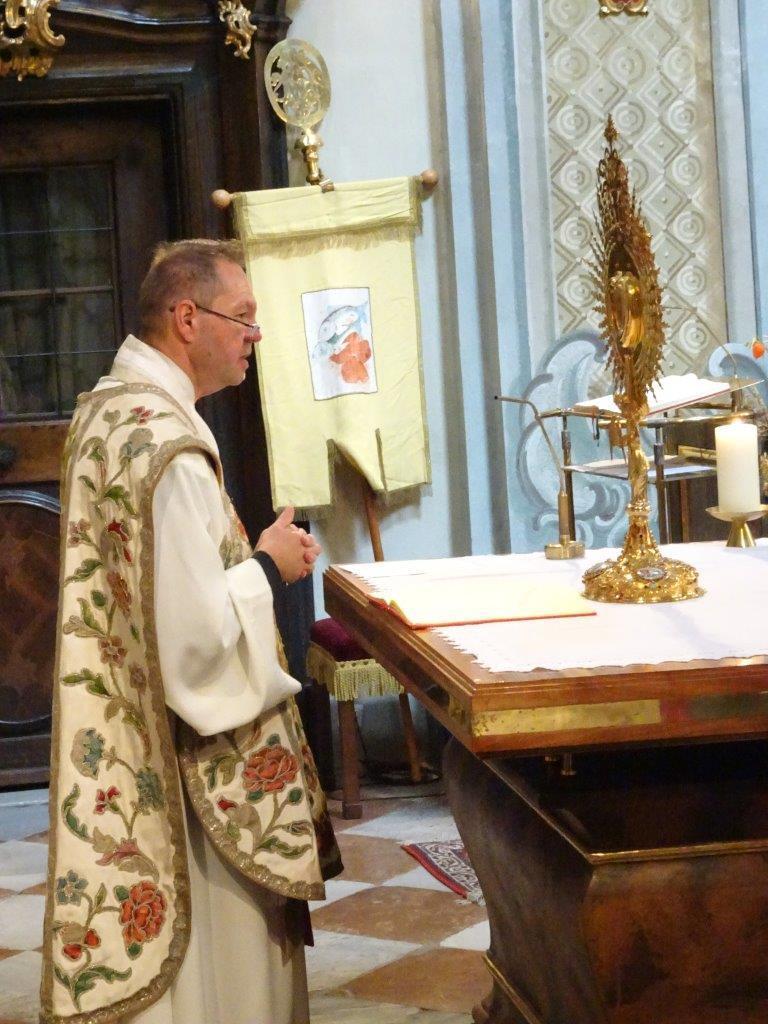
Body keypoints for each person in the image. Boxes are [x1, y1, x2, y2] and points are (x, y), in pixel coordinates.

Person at [40, 239, 341, 1024]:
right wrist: (269, 566)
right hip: (187, 765)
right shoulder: (165, 448)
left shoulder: (112, 410)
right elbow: (193, 640)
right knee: (224, 977)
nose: (254, 335)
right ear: (186, 318)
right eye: (242, 317)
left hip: (136, 734)